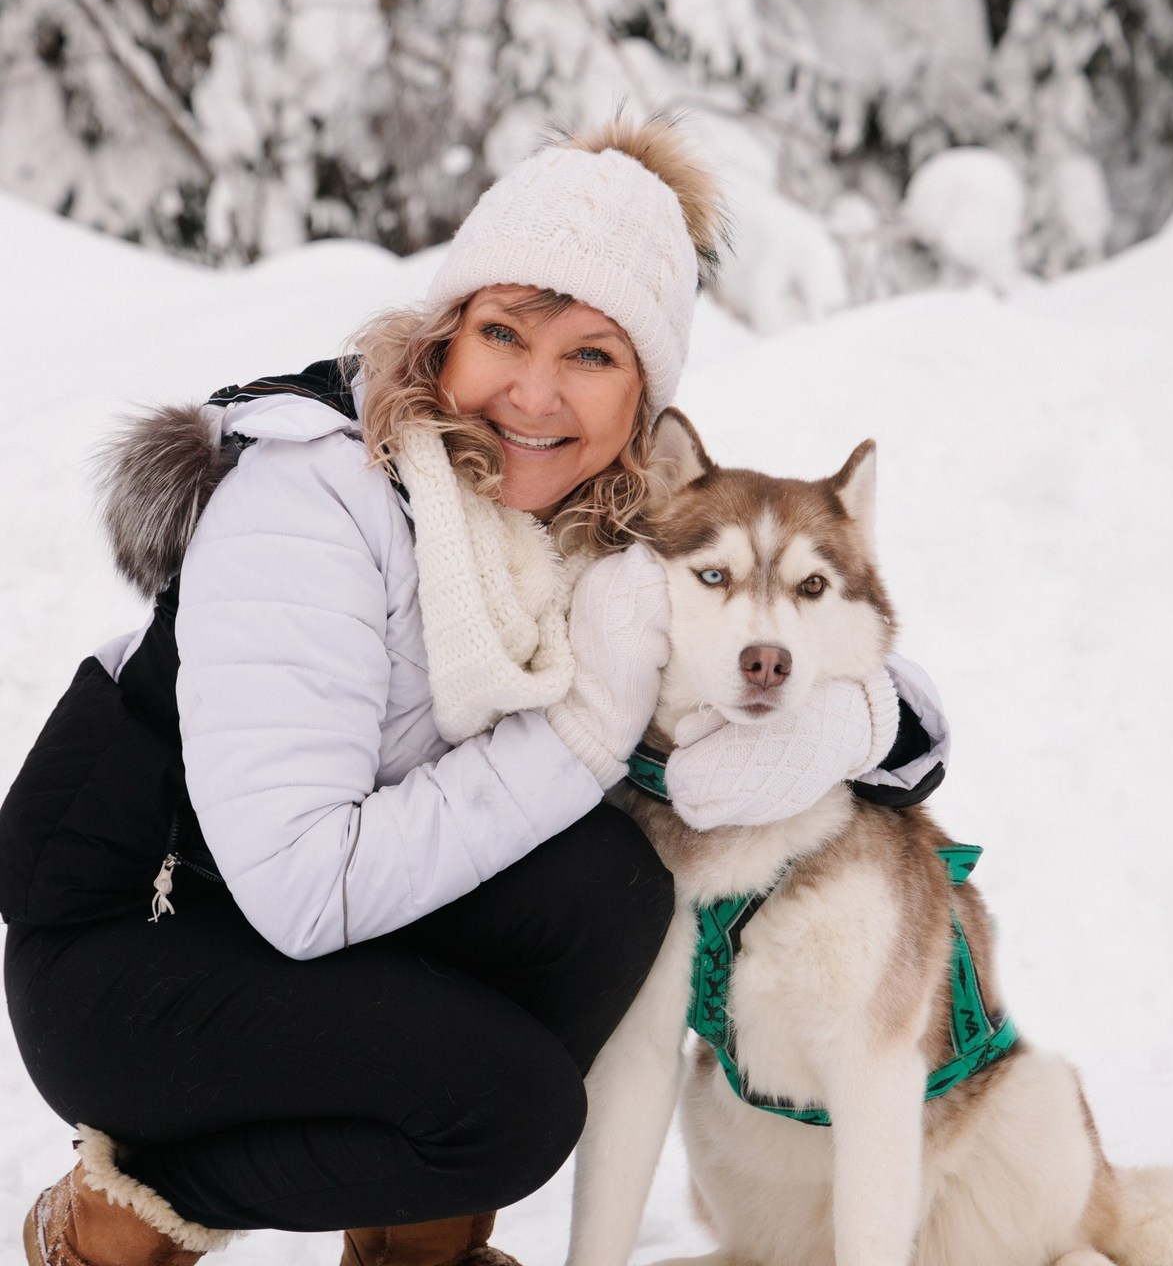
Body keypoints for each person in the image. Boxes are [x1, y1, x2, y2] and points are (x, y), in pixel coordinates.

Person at [1, 116, 948, 1266]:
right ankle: (118, 1215)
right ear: (445, 336)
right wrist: (588, 731)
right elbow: (305, 886)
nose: (536, 396)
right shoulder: (312, 498)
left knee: (604, 890)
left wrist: (853, 719)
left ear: (642, 397)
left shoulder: (590, 521)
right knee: (508, 1110)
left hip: (311, 936)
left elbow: (802, 607)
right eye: (505, 333)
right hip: (139, 945)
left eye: (592, 356)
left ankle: (408, 1246)